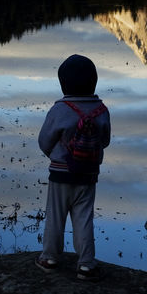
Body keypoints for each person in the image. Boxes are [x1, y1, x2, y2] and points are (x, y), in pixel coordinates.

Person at [35, 53, 111, 280]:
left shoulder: (59, 109)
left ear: (63, 84)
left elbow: (44, 140)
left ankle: (49, 257)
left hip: (60, 174)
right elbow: (105, 141)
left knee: (55, 216)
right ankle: (86, 264)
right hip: (88, 174)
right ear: (94, 81)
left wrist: (54, 155)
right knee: (84, 218)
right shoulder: (102, 110)